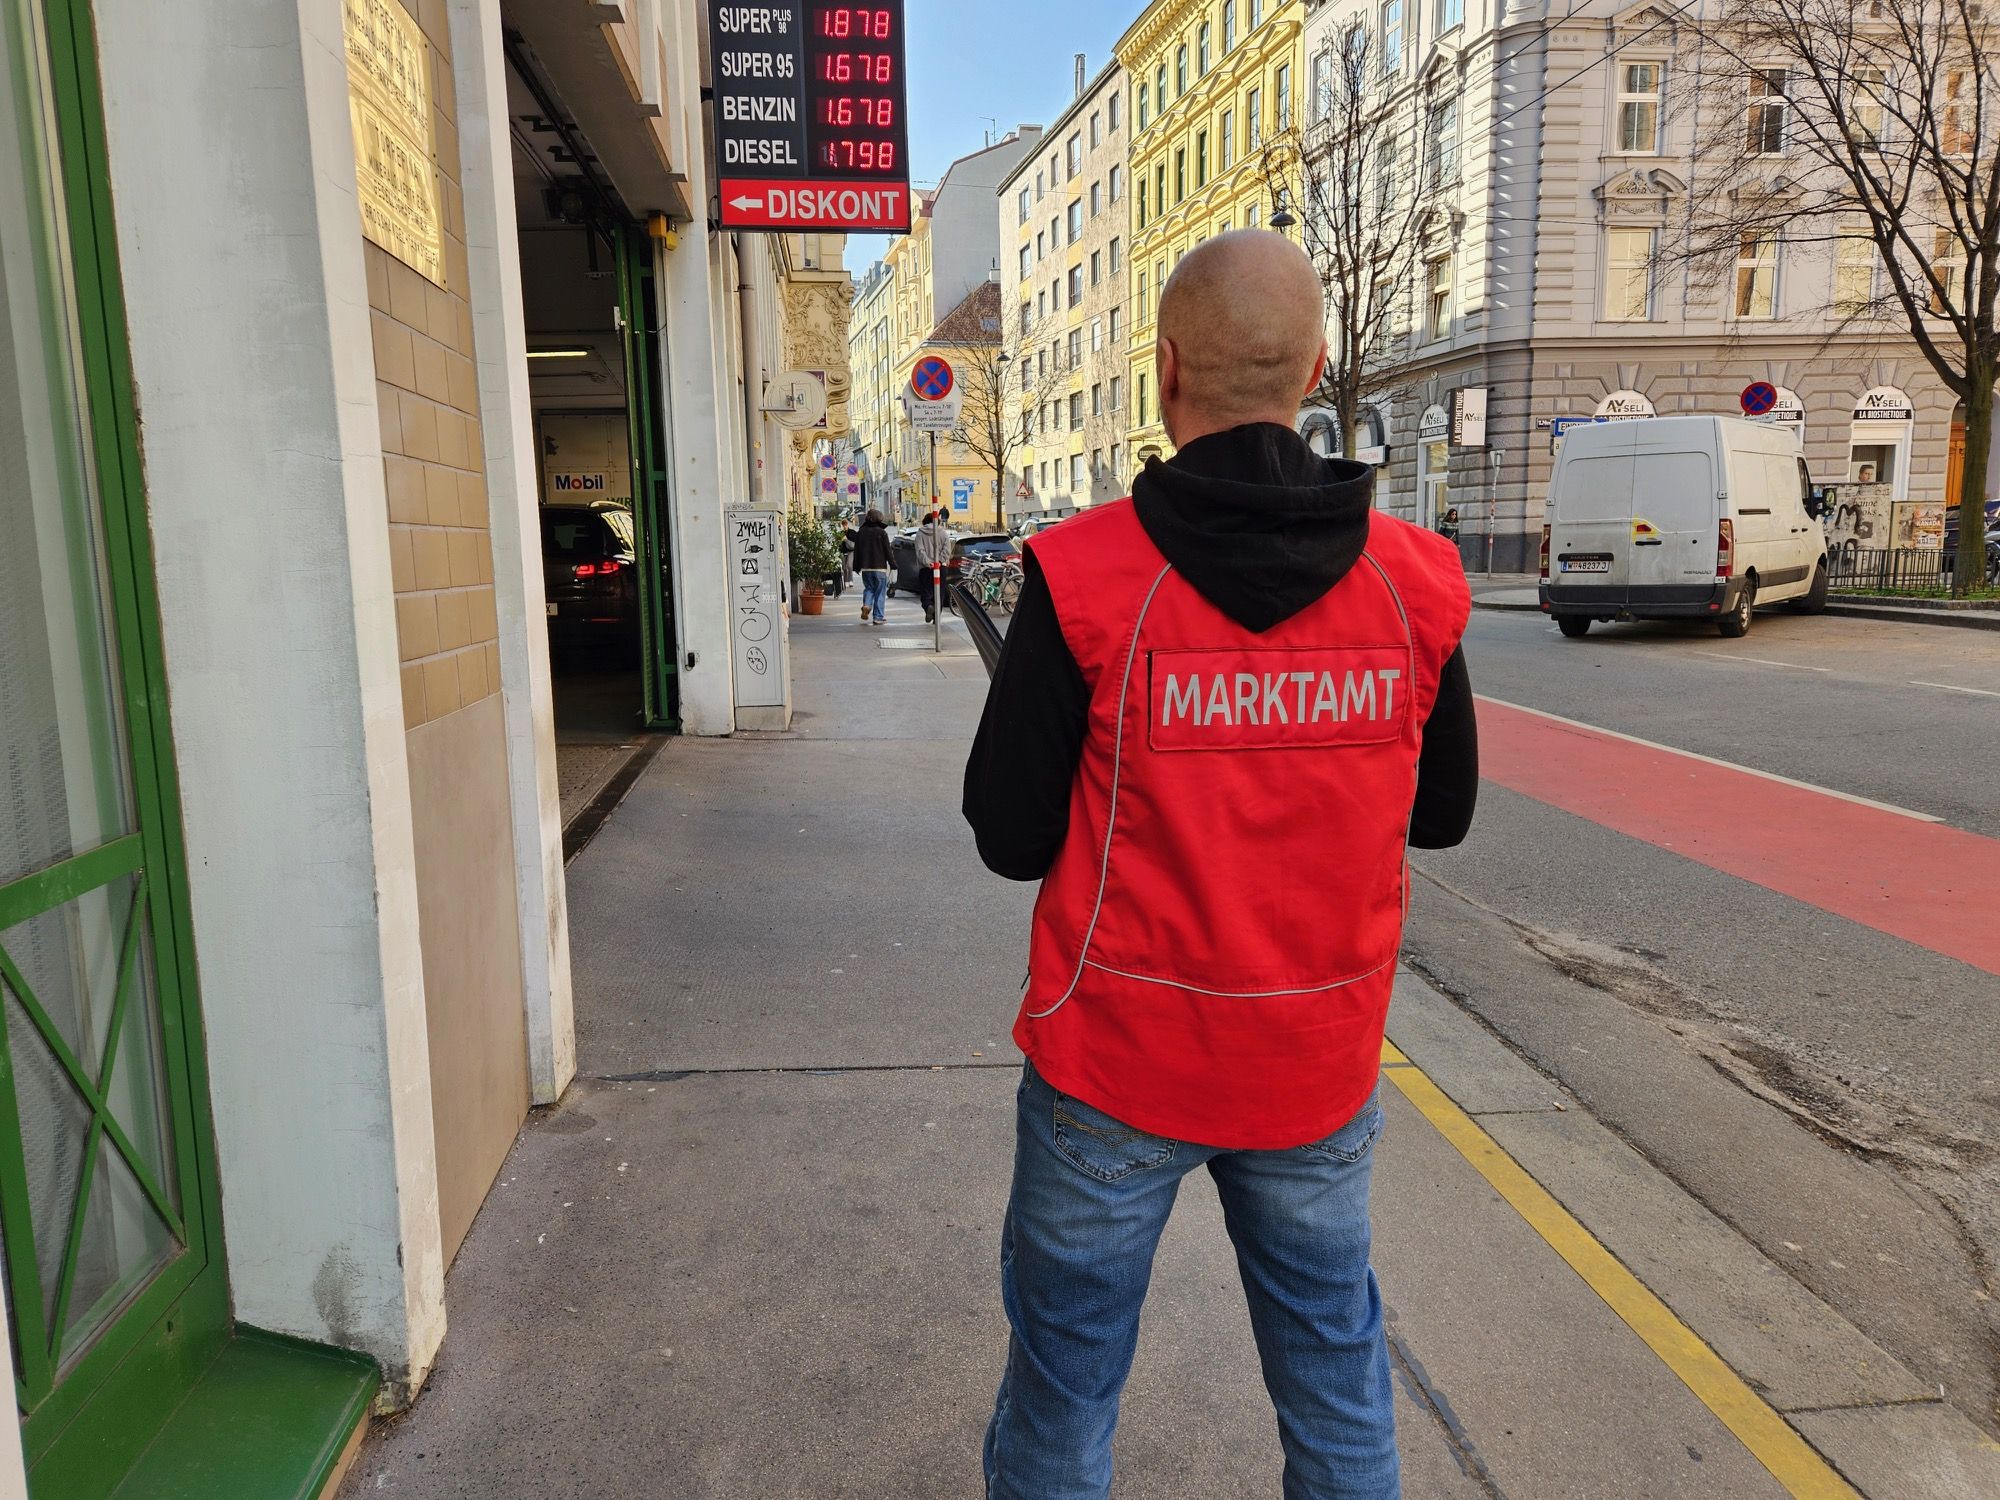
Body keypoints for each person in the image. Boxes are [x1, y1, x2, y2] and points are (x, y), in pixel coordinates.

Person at [963, 230, 1478, 1500]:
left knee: (1065, 1388)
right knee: (1334, 1374)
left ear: (1164, 369)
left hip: (1112, 1068)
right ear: (1313, 369)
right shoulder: (1414, 582)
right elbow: (1443, 814)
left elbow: (1007, 833)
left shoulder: (1085, 575)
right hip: (1314, 1067)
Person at [850, 508, 892, 626]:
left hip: (866, 568)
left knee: (869, 588)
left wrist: (856, 566)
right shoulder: (881, 532)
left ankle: (867, 605)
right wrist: (893, 565)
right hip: (879, 568)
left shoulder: (861, 532)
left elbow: (857, 550)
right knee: (880, 592)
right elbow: (888, 551)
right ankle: (878, 617)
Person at [914, 508, 950, 623]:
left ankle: (928, 606)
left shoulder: (920, 533)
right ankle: (936, 618)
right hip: (940, 568)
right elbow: (947, 549)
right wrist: (939, 561)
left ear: (925, 521)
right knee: (939, 593)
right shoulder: (943, 533)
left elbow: (920, 550)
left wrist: (927, 562)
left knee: (925, 592)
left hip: (925, 568)